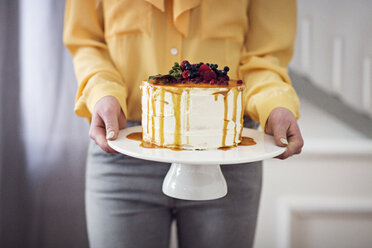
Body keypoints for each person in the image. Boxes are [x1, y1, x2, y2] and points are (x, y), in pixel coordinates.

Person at [63, 0, 304, 247]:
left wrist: (275, 103)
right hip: (123, 147)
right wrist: (102, 92)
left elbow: (265, 56)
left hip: (228, 153)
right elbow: (87, 42)